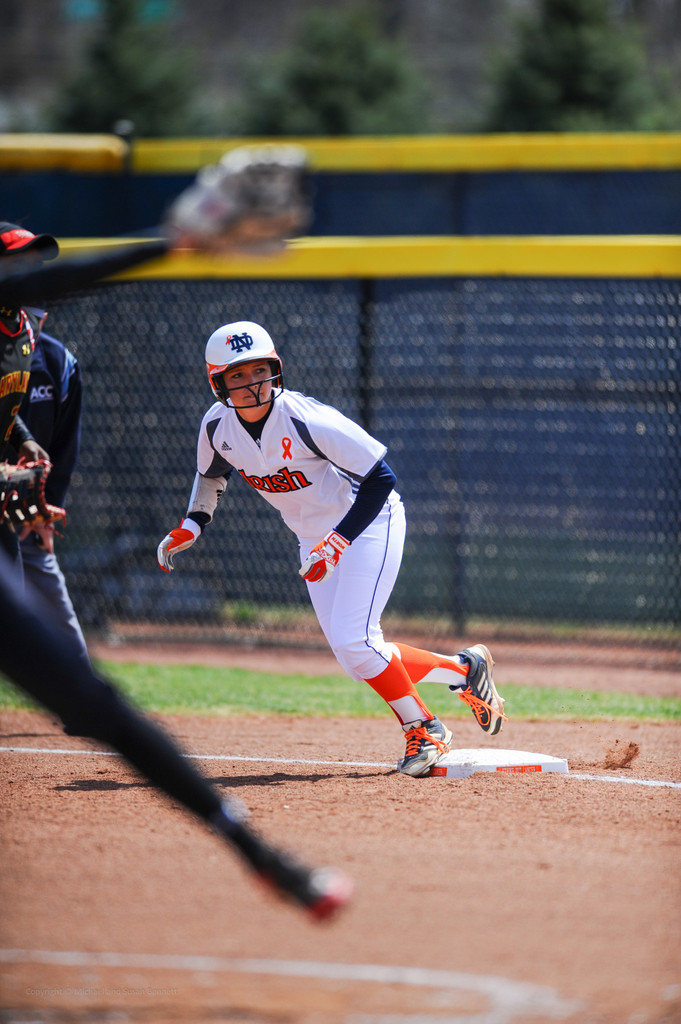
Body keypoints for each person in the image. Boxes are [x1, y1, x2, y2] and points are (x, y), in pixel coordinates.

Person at [157, 321, 507, 777]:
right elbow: (211, 476)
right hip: (312, 539)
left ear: (275, 371)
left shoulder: (305, 419)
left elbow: (382, 478)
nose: (251, 384)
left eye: (259, 371)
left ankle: (424, 728)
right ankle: (465, 669)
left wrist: (338, 541)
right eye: (236, 376)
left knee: (355, 641)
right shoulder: (216, 426)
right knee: (354, 653)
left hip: (367, 524)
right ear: (217, 382)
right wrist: (192, 523)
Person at [0, 223, 56, 564]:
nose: (30, 273)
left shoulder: (25, 327)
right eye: (19, 262)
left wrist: (23, 439)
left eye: (34, 263)